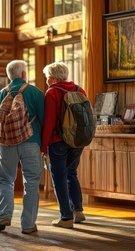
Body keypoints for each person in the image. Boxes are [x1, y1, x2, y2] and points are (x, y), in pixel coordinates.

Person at [0, 60, 45, 234]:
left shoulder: (0, 94)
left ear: (9, 76)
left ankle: (4, 215)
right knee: (32, 182)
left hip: (6, 144)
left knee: (5, 180)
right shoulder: (35, 93)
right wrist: (45, 143)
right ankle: (28, 225)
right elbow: (44, 119)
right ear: (24, 74)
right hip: (31, 141)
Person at [41, 61, 87, 229]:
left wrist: (43, 146)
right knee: (71, 173)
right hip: (78, 140)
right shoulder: (79, 90)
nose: (46, 81)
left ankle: (66, 217)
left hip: (58, 141)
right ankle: (78, 211)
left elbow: (50, 122)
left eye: (47, 77)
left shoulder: (52, 92)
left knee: (59, 177)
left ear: (52, 78)